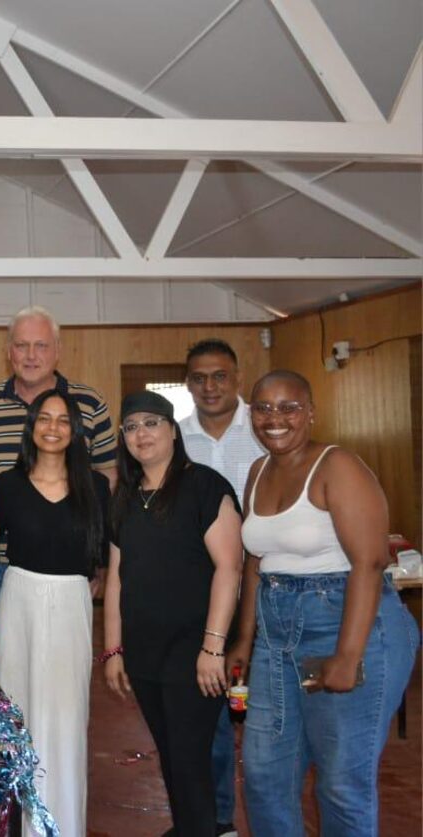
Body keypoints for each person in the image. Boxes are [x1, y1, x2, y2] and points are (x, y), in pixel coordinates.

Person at [228, 371, 418, 836]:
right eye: (263, 408)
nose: (274, 418)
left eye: (288, 407)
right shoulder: (258, 472)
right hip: (276, 634)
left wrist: (348, 657)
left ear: (311, 412)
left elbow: (370, 562)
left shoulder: (338, 466)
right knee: (265, 775)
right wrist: (245, 640)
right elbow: (256, 561)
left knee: (340, 783)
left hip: (345, 625)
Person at [103, 391, 242, 837]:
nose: (141, 434)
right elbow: (116, 578)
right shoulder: (125, 497)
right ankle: (188, 827)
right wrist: (113, 650)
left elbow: (230, 567)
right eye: (131, 427)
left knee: (189, 757)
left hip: (194, 649)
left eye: (151, 423)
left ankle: (199, 828)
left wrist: (213, 648)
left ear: (173, 430)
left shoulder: (205, 486)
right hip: (145, 651)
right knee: (171, 751)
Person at [0, 388, 109, 836]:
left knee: (66, 717)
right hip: (18, 600)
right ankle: (11, 826)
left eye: (63, 420)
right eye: (44, 418)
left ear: (75, 431)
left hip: (71, 603)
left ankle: (59, 827)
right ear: (31, 427)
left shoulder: (96, 487)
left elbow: (104, 557)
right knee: (14, 712)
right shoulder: (6, 485)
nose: (53, 428)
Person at [0, 306, 115, 619]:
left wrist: (98, 559)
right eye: (22, 345)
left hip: (71, 564)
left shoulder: (90, 403)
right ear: (8, 351)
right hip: (1, 566)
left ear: (58, 351)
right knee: (5, 649)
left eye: (41, 346)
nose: (31, 355)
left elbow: (107, 481)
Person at [179, 338, 264, 837]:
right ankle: (219, 821)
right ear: (187, 383)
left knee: (265, 711)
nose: (209, 386)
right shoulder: (176, 437)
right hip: (205, 596)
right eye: (199, 378)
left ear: (237, 377)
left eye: (220, 376)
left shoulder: (265, 427)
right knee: (209, 712)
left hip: (269, 590)